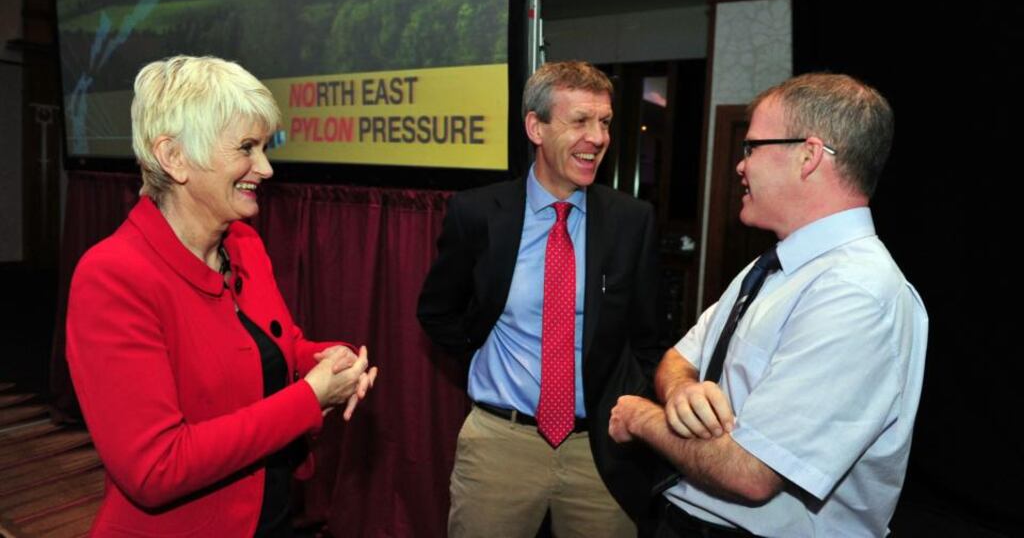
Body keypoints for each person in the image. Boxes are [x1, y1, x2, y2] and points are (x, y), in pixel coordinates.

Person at [66, 55, 378, 537]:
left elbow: (272, 348)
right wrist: (309, 398)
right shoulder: (112, 276)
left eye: (264, 147)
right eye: (247, 148)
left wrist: (320, 358)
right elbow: (155, 469)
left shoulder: (245, 245)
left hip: (271, 518)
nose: (266, 168)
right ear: (173, 157)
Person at [609, 73, 928, 537]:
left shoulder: (855, 293)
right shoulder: (775, 265)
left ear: (808, 156)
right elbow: (680, 358)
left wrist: (643, 418)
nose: (741, 165)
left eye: (752, 146)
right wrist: (683, 395)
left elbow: (750, 474)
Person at [417, 60, 664, 538]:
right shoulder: (478, 214)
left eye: (605, 122)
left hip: (600, 451)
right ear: (536, 126)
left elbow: (649, 338)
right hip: (499, 445)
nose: (597, 138)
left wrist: (630, 408)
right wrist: (479, 362)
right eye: (579, 121)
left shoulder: (631, 222)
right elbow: (437, 310)